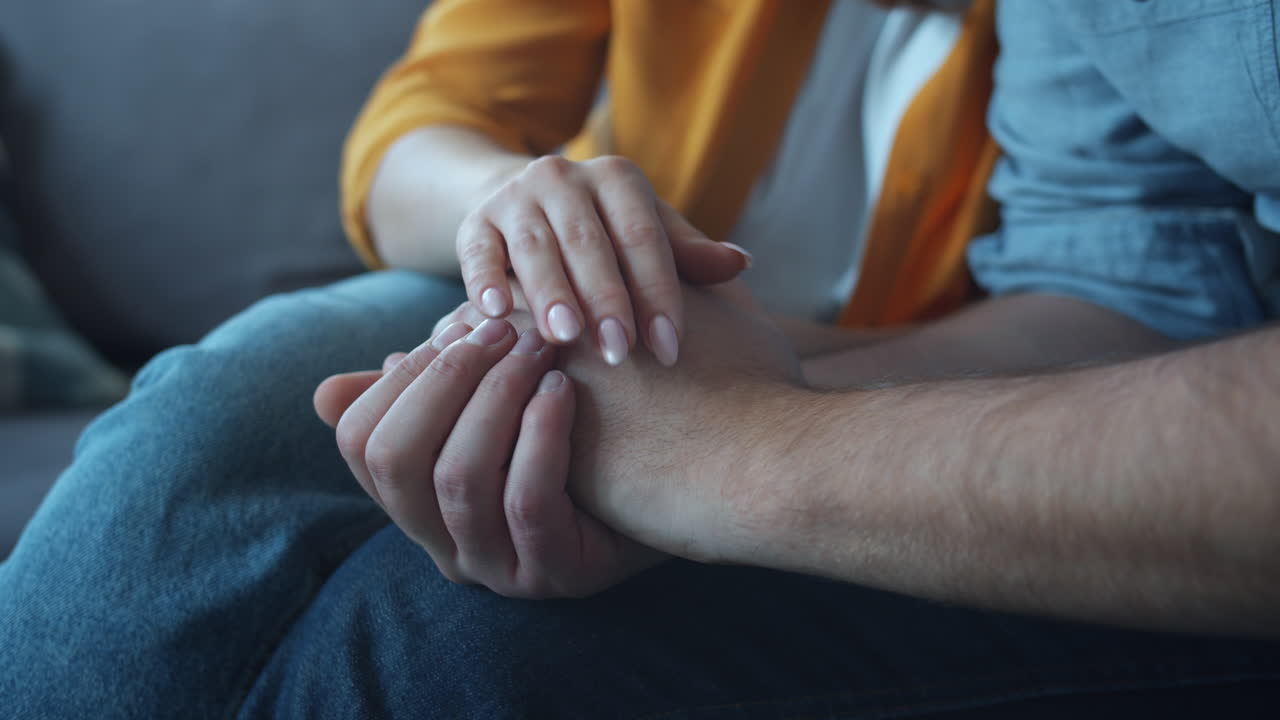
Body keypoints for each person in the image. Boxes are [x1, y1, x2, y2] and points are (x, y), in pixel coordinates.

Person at [2, 2, 1279, 719]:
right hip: (613, 323)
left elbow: (1120, 289)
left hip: (895, 354)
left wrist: (722, 435)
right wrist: (512, 199)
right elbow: (415, 123)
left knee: (439, 628)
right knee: (212, 419)